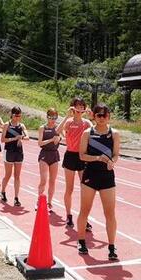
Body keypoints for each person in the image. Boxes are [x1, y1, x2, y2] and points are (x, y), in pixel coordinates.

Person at [77, 103, 120, 260]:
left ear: (109, 117)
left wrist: (112, 162)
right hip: (90, 175)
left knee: (110, 213)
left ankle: (112, 247)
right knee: (85, 210)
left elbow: (116, 155)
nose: (102, 118)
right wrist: (97, 158)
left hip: (107, 176)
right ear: (94, 116)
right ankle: (81, 241)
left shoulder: (114, 134)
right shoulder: (87, 133)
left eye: (105, 115)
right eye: (99, 115)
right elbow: (81, 155)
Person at [61, 98, 93, 229]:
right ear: (73, 108)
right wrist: (66, 116)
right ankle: (68, 215)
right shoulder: (69, 122)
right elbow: (58, 131)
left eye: (82, 106)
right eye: (77, 106)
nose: (79, 109)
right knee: (69, 188)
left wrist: (93, 118)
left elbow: (97, 133)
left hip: (82, 156)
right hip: (70, 156)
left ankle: (84, 218)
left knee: (85, 189)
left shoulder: (87, 123)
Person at [36, 108, 65, 212]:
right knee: (43, 180)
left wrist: (60, 139)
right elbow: (40, 143)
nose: (53, 120)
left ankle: (49, 202)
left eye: (55, 118)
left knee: (52, 181)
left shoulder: (58, 128)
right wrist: (51, 140)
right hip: (44, 154)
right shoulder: (42, 128)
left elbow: (65, 138)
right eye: (51, 117)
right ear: (47, 117)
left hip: (54, 155)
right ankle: (39, 201)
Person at [0, 107, 29, 206]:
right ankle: (3, 192)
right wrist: (14, 138)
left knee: (17, 176)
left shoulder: (21, 126)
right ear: (12, 115)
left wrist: (22, 137)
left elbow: (27, 137)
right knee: (8, 175)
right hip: (9, 151)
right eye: (16, 115)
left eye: (19, 116)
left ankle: (16, 197)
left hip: (19, 152)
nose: (18, 118)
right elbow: (2, 139)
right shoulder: (7, 125)